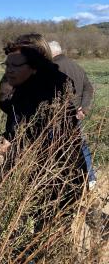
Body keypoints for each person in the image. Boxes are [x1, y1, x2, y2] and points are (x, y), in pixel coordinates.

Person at [0, 35, 85, 226]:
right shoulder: (25, 89)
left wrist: (12, 150)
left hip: (55, 180)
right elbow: (13, 115)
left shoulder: (49, 95)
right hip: (37, 177)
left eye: (15, 65)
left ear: (36, 65)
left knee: (48, 231)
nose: (9, 71)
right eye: (7, 65)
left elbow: (52, 147)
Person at [49, 40, 96, 189]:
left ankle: (62, 181)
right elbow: (89, 88)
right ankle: (90, 178)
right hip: (76, 115)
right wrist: (84, 108)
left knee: (55, 147)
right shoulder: (76, 66)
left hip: (58, 116)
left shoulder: (52, 68)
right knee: (80, 145)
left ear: (51, 53)